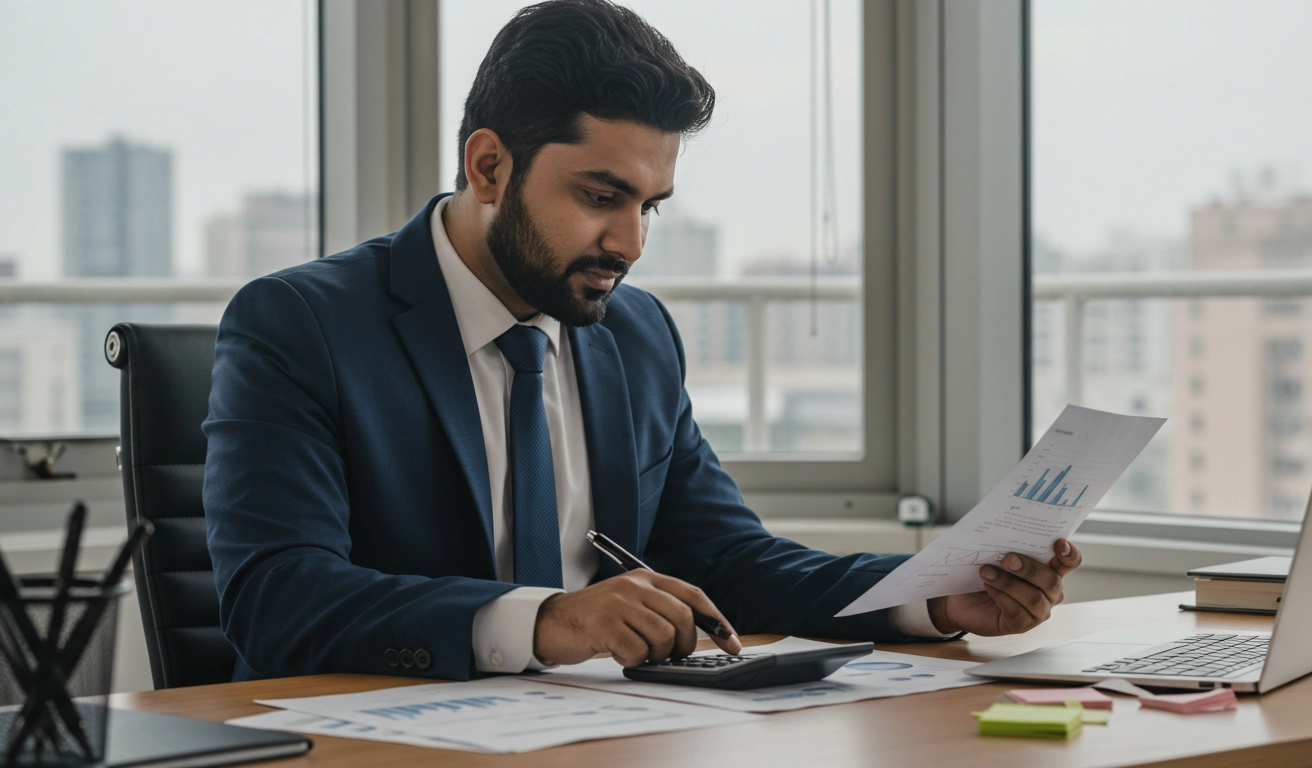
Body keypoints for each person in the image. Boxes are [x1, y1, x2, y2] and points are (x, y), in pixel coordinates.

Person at [203, 0, 1083, 682]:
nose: (629, 244)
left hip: (596, 735)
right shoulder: (301, 325)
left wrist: (929, 596)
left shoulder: (636, 333)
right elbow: (279, 599)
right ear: (488, 167)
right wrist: (549, 620)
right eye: (599, 196)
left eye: (649, 205)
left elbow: (729, 562)